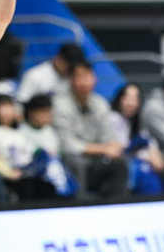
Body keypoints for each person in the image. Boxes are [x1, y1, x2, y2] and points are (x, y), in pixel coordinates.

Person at [52, 60, 129, 198]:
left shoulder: (100, 103)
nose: (85, 82)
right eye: (80, 77)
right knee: (75, 161)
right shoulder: (60, 105)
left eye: (88, 76)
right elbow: (67, 144)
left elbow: (108, 137)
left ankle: (117, 204)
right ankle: (78, 205)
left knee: (119, 162)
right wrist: (103, 149)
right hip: (70, 161)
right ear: (71, 79)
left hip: (96, 161)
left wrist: (113, 146)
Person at [0, 94, 57, 200]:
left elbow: (26, 155)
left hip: (24, 173)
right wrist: (8, 172)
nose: (8, 111)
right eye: (4, 106)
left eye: (11, 106)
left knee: (47, 187)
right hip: (6, 176)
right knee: (25, 189)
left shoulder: (18, 133)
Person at [110, 82, 164, 195]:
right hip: (118, 162)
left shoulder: (136, 121)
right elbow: (121, 148)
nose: (132, 103)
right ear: (119, 99)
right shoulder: (112, 119)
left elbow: (149, 141)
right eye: (128, 98)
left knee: (154, 169)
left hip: (137, 160)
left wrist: (154, 154)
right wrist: (147, 156)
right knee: (144, 169)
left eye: (135, 99)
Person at [16, 42, 85, 103]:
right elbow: (22, 102)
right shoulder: (34, 76)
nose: (70, 70)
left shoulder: (73, 78)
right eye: (69, 66)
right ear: (60, 59)